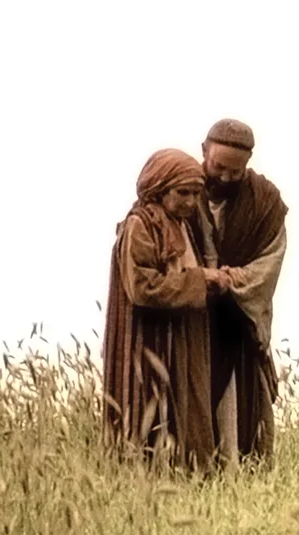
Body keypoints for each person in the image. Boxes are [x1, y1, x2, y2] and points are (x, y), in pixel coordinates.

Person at [100, 148, 234, 473]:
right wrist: (201, 280)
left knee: (186, 414)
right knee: (147, 414)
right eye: (182, 192)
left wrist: (215, 281)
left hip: (183, 340)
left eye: (195, 193)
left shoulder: (182, 226)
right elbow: (143, 287)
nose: (191, 201)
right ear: (159, 189)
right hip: (148, 343)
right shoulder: (140, 226)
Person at [196, 118, 289, 468]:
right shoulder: (182, 188)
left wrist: (226, 280)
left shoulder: (264, 202)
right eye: (218, 167)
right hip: (193, 324)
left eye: (235, 172)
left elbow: (268, 263)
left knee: (243, 415)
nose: (225, 177)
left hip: (239, 325)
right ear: (204, 152)